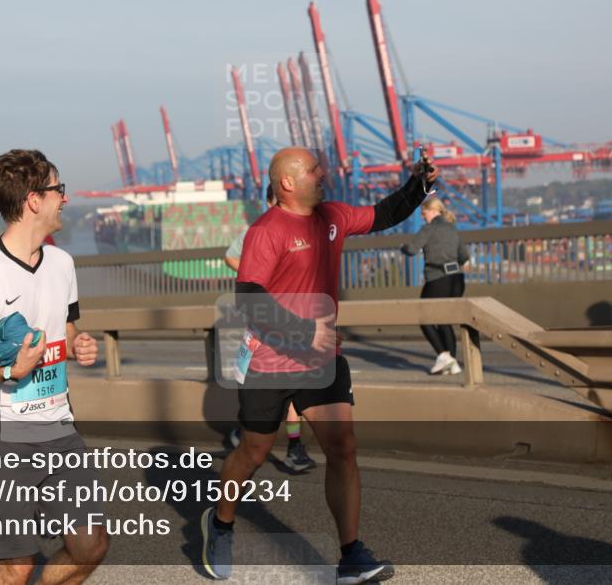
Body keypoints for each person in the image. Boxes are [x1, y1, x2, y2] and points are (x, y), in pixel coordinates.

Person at [201, 147, 438, 583]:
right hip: (270, 362)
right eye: (314, 170)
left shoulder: (333, 216)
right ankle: (220, 522)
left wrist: (418, 184)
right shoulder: (266, 231)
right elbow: (248, 298)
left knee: (342, 448)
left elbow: (383, 214)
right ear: (288, 182)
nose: (323, 173)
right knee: (253, 452)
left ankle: (351, 556)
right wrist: (304, 331)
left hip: (320, 359)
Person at [0, 149, 108, 583]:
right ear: (34, 200)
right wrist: (9, 372)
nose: (65, 199)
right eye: (58, 189)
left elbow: (63, 331)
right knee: (17, 566)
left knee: (90, 546)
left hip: (59, 426)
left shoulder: (62, 264)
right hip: (0, 434)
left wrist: (78, 345)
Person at [224, 185, 315, 473]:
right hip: (264, 327)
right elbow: (231, 256)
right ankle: (249, 436)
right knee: (259, 394)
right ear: (269, 202)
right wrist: (257, 275)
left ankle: (294, 447)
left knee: (293, 392)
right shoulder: (259, 231)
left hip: (296, 323)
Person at [398, 198, 470, 375]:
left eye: (423, 213)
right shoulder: (453, 228)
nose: (423, 217)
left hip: (438, 279)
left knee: (424, 318)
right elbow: (464, 257)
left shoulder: (428, 229)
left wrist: (403, 247)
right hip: (457, 280)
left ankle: (444, 356)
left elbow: (412, 250)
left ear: (432, 211)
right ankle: (452, 363)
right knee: (444, 321)